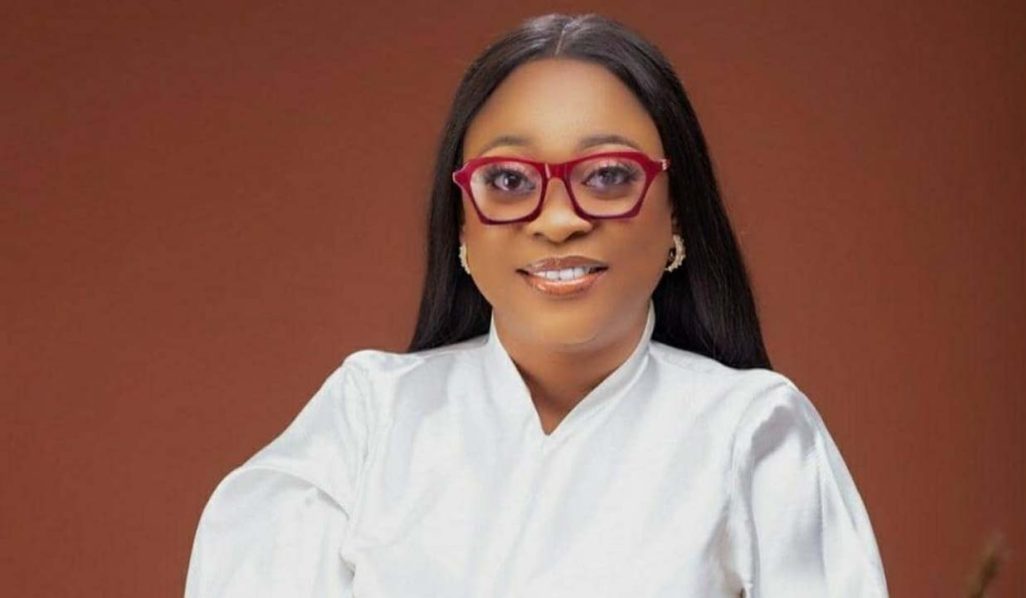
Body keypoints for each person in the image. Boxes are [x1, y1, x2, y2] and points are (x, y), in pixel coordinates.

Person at [185, 13, 888, 598]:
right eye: (509, 180)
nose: (557, 220)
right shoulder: (369, 417)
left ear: (678, 211)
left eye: (608, 175)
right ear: (462, 223)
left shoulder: (753, 431)